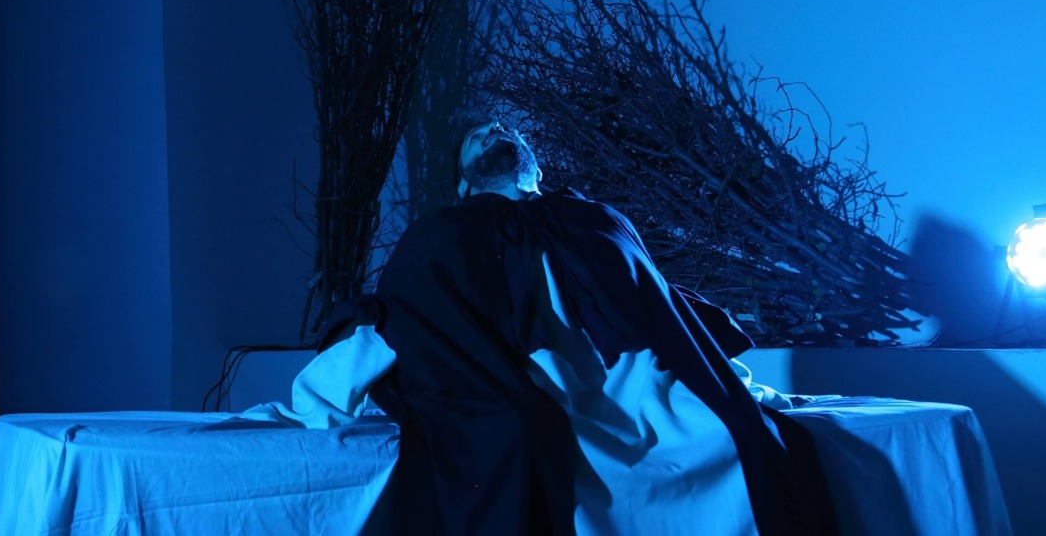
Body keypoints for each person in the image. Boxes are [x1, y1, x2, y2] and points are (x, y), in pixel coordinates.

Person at [313, 121, 835, 535]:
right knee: (513, 436)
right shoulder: (441, 231)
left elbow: (656, 305)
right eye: (477, 136)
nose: (494, 129)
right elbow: (409, 316)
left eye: (504, 130)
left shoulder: (595, 218)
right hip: (504, 379)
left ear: (534, 167)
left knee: (744, 433)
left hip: (624, 379)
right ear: (463, 182)